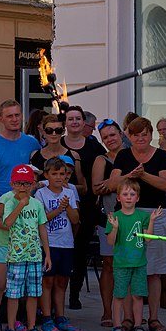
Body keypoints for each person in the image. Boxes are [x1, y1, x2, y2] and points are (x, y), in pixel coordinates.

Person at [108, 116, 166, 331]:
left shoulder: (162, 156)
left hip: (153, 214)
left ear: (151, 134)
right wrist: (130, 175)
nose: (141, 138)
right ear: (130, 136)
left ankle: (153, 318)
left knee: (154, 271)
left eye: (144, 134)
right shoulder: (124, 155)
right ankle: (129, 318)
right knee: (127, 268)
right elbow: (113, 183)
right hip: (127, 216)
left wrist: (143, 175)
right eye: (136, 135)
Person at [0, 100, 40, 329]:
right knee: (1, 272)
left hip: (26, 212)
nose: (15, 119)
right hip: (1, 211)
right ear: (0, 119)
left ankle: (19, 318)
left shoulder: (31, 142)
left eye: (17, 115)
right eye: (9, 116)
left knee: (21, 268)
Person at [0, 165, 51, 331]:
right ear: (12, 183)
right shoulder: (9, 200)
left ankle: (31, 327)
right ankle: (10, 328)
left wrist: (47, 254)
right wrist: (20, 204)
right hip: (15, 256)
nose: (22, 187)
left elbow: (42, 228)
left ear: (32, 184)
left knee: (34, 292)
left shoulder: (36, 204)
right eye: (19, 183)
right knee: (13, 293)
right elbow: (7, 223)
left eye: (26, 183)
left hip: (34, 255)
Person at [62, 105, 106, 310]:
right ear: (65, 123)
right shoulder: (59, 143)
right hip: (60, 206)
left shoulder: (94, 146)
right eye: (70, 119)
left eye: (78, 119)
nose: (74, 122)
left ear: (83, 122)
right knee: (59, 249)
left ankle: (74, 295)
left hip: (87, 206)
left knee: (79, 251)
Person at [106, 178, 162, 331]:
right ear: (118, 198)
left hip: (139, 263)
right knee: (119, 295)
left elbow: (148, 239)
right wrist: (115, 228)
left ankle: (138, 325)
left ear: (137, 198)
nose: (129, 197)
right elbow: (110, 241)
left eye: (132, 194)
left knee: (138, 295)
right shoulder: (114, 217)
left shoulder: (142, 216)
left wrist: (151, 221)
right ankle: (117, 325)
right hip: (121, 264)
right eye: (125, 194)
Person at [35, 157, 80, 331]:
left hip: (66, 243)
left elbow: (76, 220)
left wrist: (67, 206)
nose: (59, 177)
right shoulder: (41, 194)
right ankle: (46, 317)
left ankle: (60, 316)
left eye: (62, 174)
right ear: (46, 175)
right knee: (47, 281)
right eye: (54, 174)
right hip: (49, 243)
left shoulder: (69, 193)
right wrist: (59, 209)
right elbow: (42, 219)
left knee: (62, 281)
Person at [92, 118, 129, 328]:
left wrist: (112, 183)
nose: (110, 139)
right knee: (109, 264)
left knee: (132, 265)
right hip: (109, 217)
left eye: (112, 135)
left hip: (132, 217)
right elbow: (96, 188)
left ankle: (129, 313)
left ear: (121, 134)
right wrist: (122, 181)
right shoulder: (101, 159)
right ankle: (107, 311)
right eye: (105, 137)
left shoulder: (132, 155)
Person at [30, 114, 85, 192]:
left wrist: (67, 186)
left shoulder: (74, 155)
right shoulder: (35, 155)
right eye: (49, 130)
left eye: (58, 130)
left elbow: (83, 188)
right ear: (44, 132)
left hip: (66, 201)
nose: (54, 134)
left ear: (63, 131)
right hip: (41, 202)